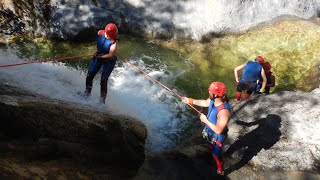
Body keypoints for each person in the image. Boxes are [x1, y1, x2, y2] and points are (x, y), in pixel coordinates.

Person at [182, 82, 232, 176]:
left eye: (210, 90)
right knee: (210, 144)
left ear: (216, 94)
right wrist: (190, 100)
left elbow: (219, 130)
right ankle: (209, 150)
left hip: (217, 137)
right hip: (210, 132)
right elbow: (205, 102)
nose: (208, 91)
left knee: (216, 154)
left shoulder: (224, 111)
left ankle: (220, 169)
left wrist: (205, 120)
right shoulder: (214, 99)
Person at [83, 23, 119, 104]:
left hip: (109, 60)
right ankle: (87, 94)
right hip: (99, 56)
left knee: (103, 80)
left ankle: (102, 102)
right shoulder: (100, 33)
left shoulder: (114, 42)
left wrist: (100, 56)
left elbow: (110, 54)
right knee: (89, 75)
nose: (109, 37)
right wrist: (98, 54)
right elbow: (100, 36)